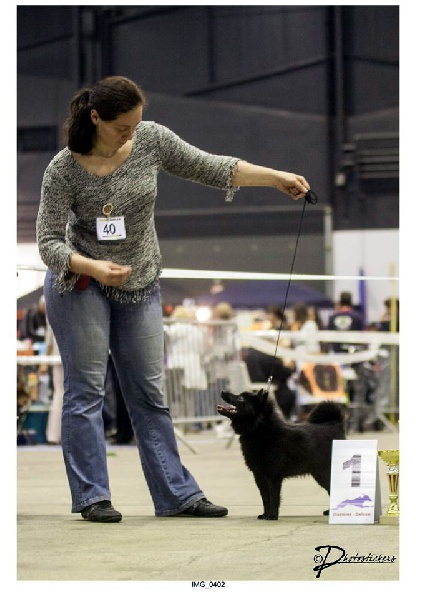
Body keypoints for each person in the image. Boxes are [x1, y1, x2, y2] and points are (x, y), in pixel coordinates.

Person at [36, 75, 310, 523]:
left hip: (141, 284)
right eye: (122, 127)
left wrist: (275, 178)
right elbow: (48, 242)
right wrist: (92, 266)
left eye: (135, 125)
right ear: (96, 118)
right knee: (85, 394)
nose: (130, 134)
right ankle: (92, 497)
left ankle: (177, 496)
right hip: (80, 285)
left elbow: (213, 167)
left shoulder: (151, 140)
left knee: (149, 393)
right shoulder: (63, 168)